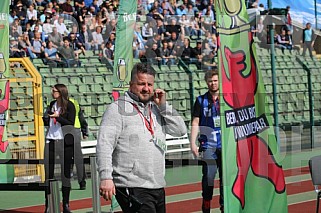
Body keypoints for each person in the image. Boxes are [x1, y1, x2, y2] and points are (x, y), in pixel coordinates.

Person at [97, 63, 187, 213]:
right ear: (131, 84)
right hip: (132, 185)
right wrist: (106, 177)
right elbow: (104, 145)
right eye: (141, 84)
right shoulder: (117, 109)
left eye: (149, 84)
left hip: (157, 185)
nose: (146, 88)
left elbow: (180, 130)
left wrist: (164, 106)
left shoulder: (157, 108)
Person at [189, 69, 223, 213]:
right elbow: (195, 122)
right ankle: (207, 204)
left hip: (226, 146)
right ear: (206, 82)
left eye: (215, 80)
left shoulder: (228, 99)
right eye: (210, 81)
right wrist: (192, 143)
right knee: (209, 176)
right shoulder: (200, 100)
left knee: (227, 180)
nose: (213, 83)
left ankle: (225, 206)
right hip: (208, 145)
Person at [43, 84, 76, 213]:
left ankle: (66, 204)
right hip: (51, 140)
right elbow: (49, 122)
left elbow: (70, 123)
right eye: (52, 91)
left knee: (65, 174)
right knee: (48, 174)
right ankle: (48, 205)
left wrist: (58, 117)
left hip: (64, 142)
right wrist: (46, 118)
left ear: (61, 92)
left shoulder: (70, 105)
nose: (52, 93)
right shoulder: (52, 104)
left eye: (55, 91)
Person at [69, 98, 88, 190]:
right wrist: (84, 131)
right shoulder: (74, 102)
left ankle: (67, 181)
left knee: (66, 157)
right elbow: (81, 117)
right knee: (78, 158)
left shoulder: (57, 103)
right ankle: (82, 182)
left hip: (65, 131)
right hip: (76, 130)